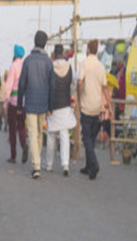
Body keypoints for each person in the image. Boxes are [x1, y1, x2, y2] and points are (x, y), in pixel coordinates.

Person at [17, 30, 55, 179]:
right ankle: (36, 163)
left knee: (33, 134)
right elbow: (52, 86)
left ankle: (36, 164)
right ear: (45, 43)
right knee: (39, 133)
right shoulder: (48, 62)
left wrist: (20, 104)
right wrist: (50, 106)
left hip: (31, 102)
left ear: (34, 41)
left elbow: (21, 84)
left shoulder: (27, 61)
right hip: (44, 103)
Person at [77, 39, 108, 179]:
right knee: (91, 137)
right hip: (97, 106)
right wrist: (109, 104)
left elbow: (79, 82)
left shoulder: (84, 63)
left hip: (86, 104)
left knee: (86, 137)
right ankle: (89, 167)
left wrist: (79, 98)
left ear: (88, 49)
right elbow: (105, 87)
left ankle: (94, 164)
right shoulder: (101, 66)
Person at [45, 43, 75, 175]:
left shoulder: (51, 67)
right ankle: (65, 165)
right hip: (65, 104)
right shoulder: (69, 67)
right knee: (64, 135)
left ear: (54, 54)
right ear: (62, 53)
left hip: (53, 105)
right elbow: (72, 85)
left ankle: (49, 164)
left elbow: (47, 86)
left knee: (51, 135)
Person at [4, 45, 28, 164]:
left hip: (13, 101)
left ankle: (13, 156)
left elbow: (9, 85)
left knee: (12, 129)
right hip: (23, 101)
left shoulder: (13, 66)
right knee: (22, 127)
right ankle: (24, 145)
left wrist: (5, 101)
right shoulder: (25, 65)